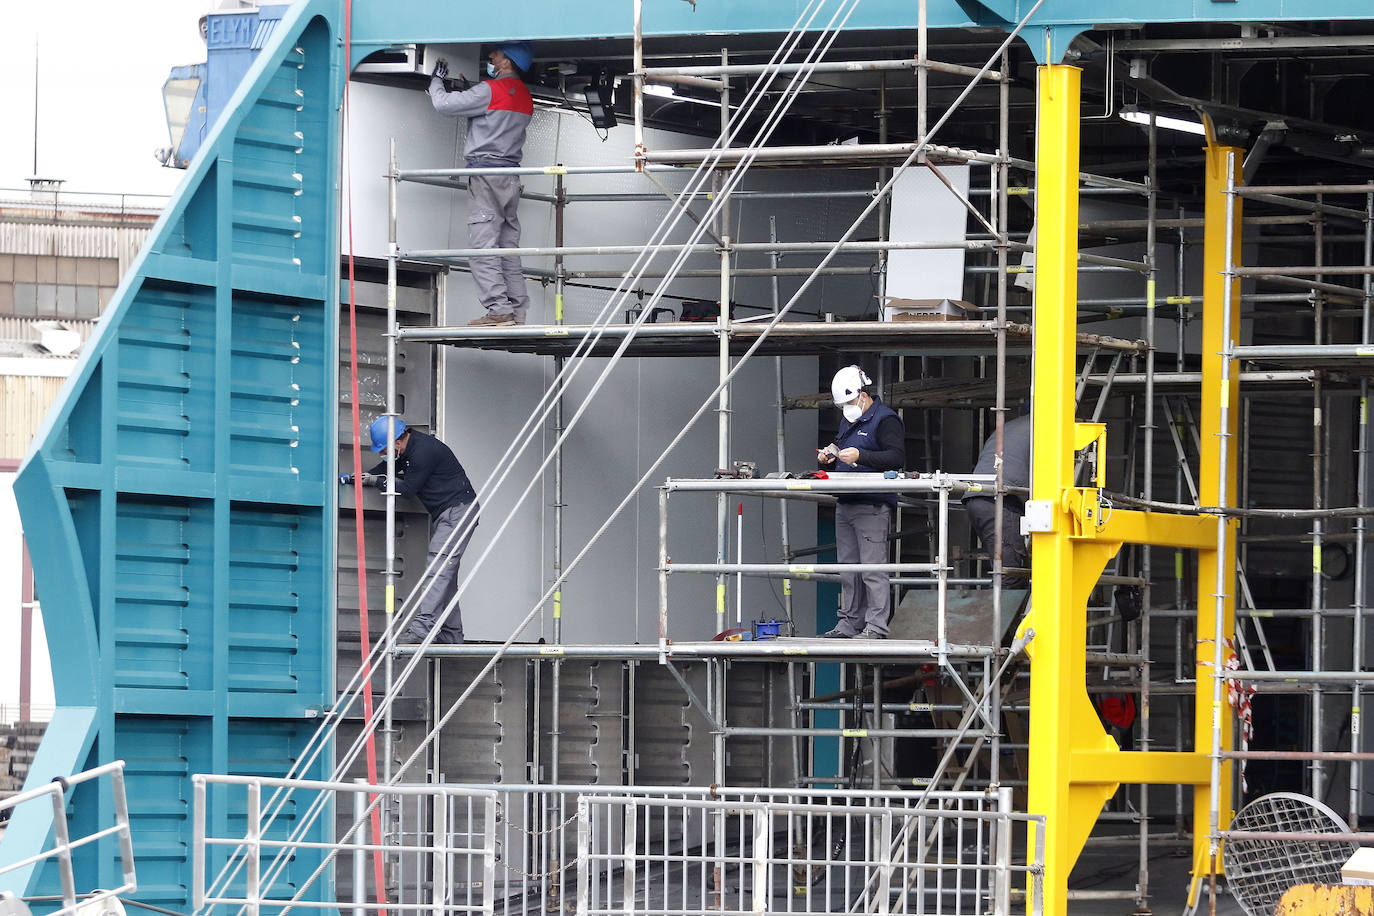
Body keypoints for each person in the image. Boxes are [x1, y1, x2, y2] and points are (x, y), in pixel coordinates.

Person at [341, 417, 480, 644]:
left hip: (458, 512)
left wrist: (376, 482)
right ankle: (451, 635)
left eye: (383, 449)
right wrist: (358, 478)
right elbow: (385, 468)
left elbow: (407, 489)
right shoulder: (407, 450)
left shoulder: (424, 451)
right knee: (446, 577)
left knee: (438, 569)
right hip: (449, 514)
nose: (381, 454)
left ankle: (422, 628)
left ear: (396, 442)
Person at [427, 43, 535, 328]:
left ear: (507, 62)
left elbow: (443, 105)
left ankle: (498, 310)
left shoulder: (490, 90)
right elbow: (495, 113)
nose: (491, 57)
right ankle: (517, 312)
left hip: (485, 175)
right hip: (510, 176)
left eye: (496, 55)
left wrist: (437, 80)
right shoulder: (524, 96)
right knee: (507, 246)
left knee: (483, 243)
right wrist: (469, 90)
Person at [817, 365, 907, 639]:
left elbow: (896, 458)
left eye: (849, 402)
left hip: (871, 503)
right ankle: (849, 624)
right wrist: (832, 453)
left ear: (863, 395)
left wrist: (861, 457)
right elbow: (844, 444)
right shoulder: (849, 420)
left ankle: (876, 626)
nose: (847, 408)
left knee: (872, 568)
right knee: (849, 569)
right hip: (847, 501)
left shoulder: (886, 419)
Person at [963, 412, 1031, 588]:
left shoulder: (1012, 426)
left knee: (1004, 565)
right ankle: (998, 615)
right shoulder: (1047, 429)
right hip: (1001, 498)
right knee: (1011, 573)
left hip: (978, 495)